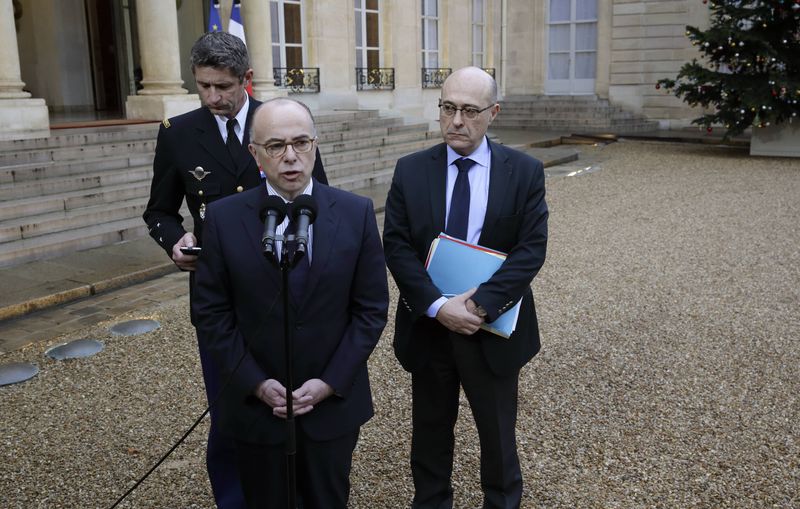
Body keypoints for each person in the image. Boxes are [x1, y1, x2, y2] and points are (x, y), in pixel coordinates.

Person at [142, 32, 327, 508]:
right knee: (229, 409)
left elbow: (318, 201)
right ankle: (235, 499)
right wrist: (174, 240)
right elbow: (158, 211)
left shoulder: (281, 124)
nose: (212, 98)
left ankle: (295, 490)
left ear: (246, 79)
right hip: (219, 298)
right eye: (203, 86)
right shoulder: (178, 133)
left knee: (291, 399)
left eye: (222, 86)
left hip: (286, 288)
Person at [192, 98, 389, 509]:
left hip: (330, 408)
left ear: (316, 145)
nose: (291, 157)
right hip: (257, 410)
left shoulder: (356, 213)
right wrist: (257, 384)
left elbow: (370, 310)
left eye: (301, 143)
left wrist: (330, 382)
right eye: (276, 146)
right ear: (255, 153)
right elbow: (211, 313)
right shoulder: (224, 219)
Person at [382, 66, 549, 509]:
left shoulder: (525, 172)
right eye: (448, 107)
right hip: (431, 328)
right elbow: (397, 247)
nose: (456, 120)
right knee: (430, 435)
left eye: (470, 110)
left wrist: (477, 307)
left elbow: (530, 251)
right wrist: (438, 307)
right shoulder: (411, 170)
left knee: (497, 438)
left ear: (493, 113)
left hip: (488, 330)